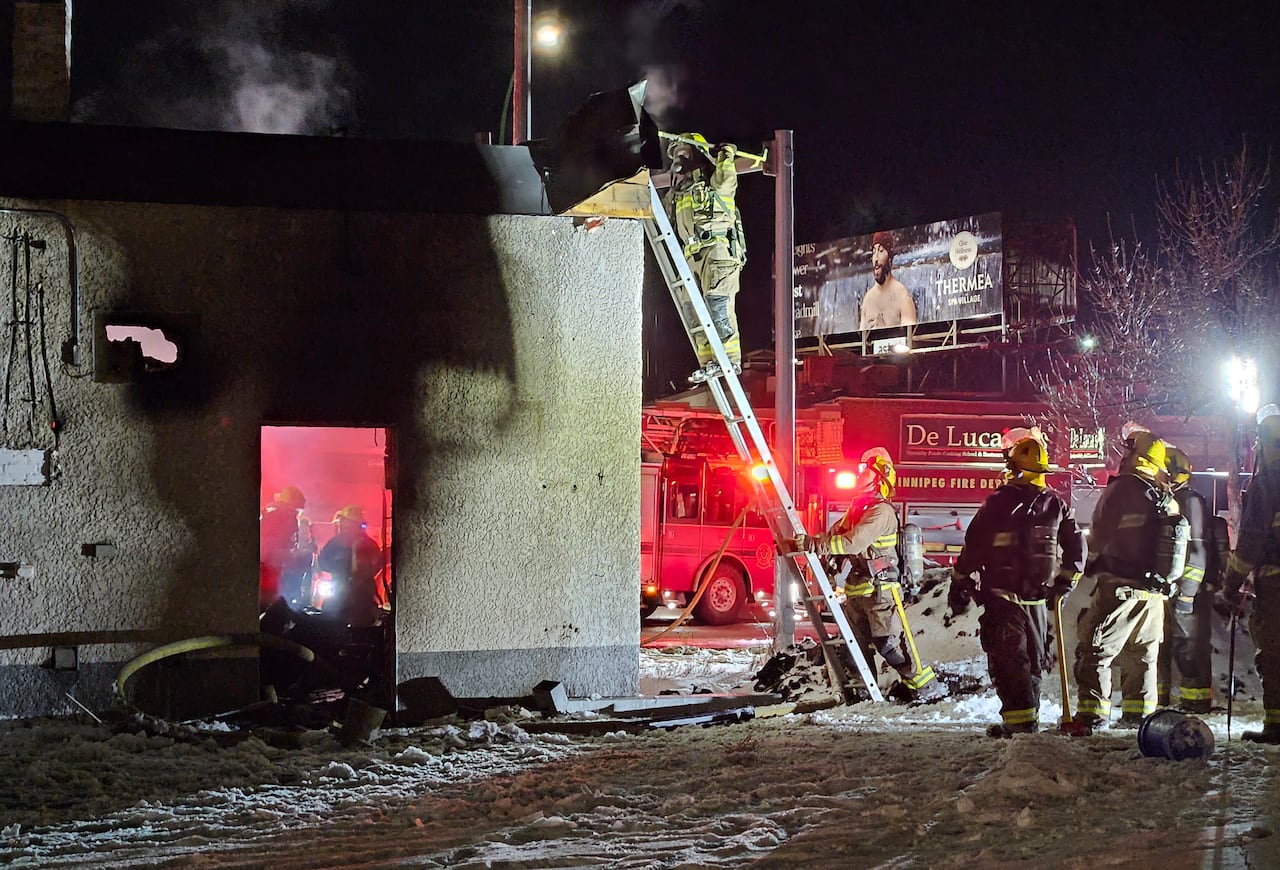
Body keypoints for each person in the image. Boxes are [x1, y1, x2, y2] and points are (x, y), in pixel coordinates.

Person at [948, 437, 1087, 737]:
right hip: (1037, 601)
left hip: (1003, 600)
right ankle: (1028, 719)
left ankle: (1020, 724)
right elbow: (1077, 546)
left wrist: (960, 578)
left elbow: (974, 546)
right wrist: (1065, 582)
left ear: (1012, 468)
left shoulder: (996, 503)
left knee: (1009, 661)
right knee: (1034, 661)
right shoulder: (1056, 504)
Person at [800, 447, 941, 701]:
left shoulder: (881, 512)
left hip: (881, 592)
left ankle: (924, 687)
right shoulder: (857, 509)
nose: (859, 474)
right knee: (854, 646)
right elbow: (835, 537)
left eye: (864, 470)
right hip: (857, 590)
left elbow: (852, 543)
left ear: (879, 476)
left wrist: (816, 545)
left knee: (889, 645)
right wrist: (812, 546)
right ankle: (862, 692)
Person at [1069, 432, 1179, 735]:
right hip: (1154, 595)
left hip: (1119, 588)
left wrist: (1091, 567)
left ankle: (1091, 716)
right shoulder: (1164, 496)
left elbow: (1100, 536)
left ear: (1134, 457)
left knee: (1095, 651)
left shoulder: (1120, 491)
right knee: (1142, 656)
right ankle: (1139, 719)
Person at [663, 132, 746, 382]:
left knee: (718, 305)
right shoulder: (677, 193)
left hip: (717, 251)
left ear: (697, 152)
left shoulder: (713, 182)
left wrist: (726, 156)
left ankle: (730, 360)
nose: (679, 159)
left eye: (683, 153)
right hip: (690, 256)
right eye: (676, 155)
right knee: (693, 312)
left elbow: (727, 181)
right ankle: (709, 361)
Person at [1225, 407, 1280, 742]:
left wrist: (1231, 583)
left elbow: (1251, 541)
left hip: (1275, 582)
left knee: (1275, 654)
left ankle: (1276, 725)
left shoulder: (1267, 483)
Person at [1156, 445, 1216, 713]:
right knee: (1167, 644)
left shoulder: (1188, 501)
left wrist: (1188, 592)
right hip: (1174, 588)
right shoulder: (1172, 499)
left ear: (1171, 472)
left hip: (1188, 590)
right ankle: (1164, 699)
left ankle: (1196, 702)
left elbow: (1197, 548)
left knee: (1189, 645)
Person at [317, 504, 384, 627]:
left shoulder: (338, 542)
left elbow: (323, 563)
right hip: (355, 595)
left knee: (336, 625)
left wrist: (343, 569)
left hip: (350, 594)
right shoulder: (366, 543)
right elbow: (377, 565)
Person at [259, 485, 316, 610]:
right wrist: (292, 556)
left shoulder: (285, 517)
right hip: (269, 576)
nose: (297, 515)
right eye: (295, 510)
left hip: (277, 574)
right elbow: (267, 551)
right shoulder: (276, 518)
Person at [859, 230, 917, 330]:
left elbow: (910, 341)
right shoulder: (868, 300)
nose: (876, 258)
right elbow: (861, 343)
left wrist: (884, 330)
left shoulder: (902, 297)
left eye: (881, 251)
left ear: (890, 258)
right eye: (874, 252)